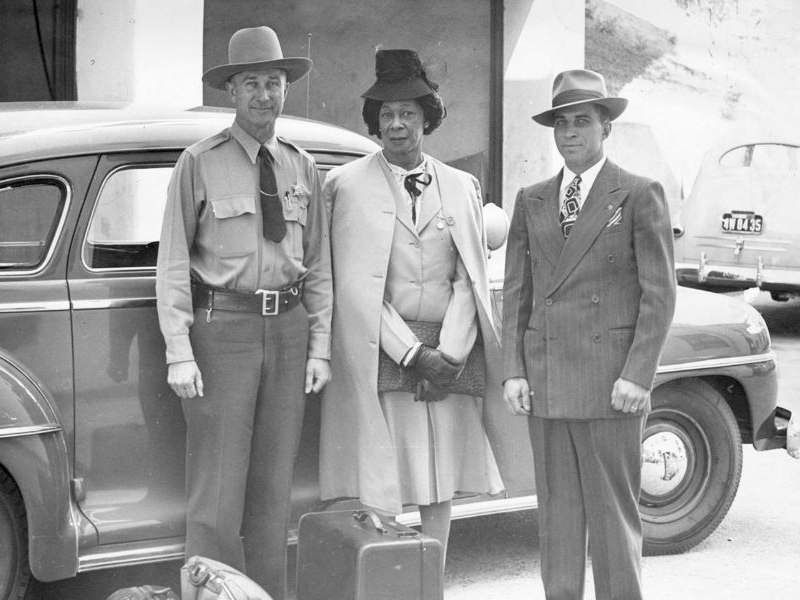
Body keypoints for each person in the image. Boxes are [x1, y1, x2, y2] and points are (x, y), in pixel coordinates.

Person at [318, 48, 525, 573]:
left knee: (439, 479)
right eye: (386, 113)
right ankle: (386, 583)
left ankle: (430, 582)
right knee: (383, 477)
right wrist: (413, 355)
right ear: (374, 121)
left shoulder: (461, 186)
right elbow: (353, 284)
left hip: (448, 356)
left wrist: (448, 356)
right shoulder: (343, 186)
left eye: (408, 112)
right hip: (383, 352)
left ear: (426, 118)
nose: (397, 124)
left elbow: (469, 276)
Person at [155, 25, 331, 600]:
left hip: (289, 330)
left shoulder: (302, 167)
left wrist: (319, 347)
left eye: (273, 82)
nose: (263, 94)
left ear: (286, 90)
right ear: (231, 91)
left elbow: (319, 266)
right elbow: (173, 262)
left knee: (274, 487)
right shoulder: (199, 162)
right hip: (222, 331)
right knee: (217, 489)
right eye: (251, 83)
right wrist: (179, 351)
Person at [500, 69, 677, 600]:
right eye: (561, 123)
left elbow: (659, 294)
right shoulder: (531, 199)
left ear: (606, 128)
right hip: (548, 382)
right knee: (557, 521)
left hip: (611, 386)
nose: (570, 132)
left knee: (612, 523)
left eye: (582, 121)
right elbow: (518, 293)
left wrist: (638, 375)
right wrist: (513, 371)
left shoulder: (638, 193)